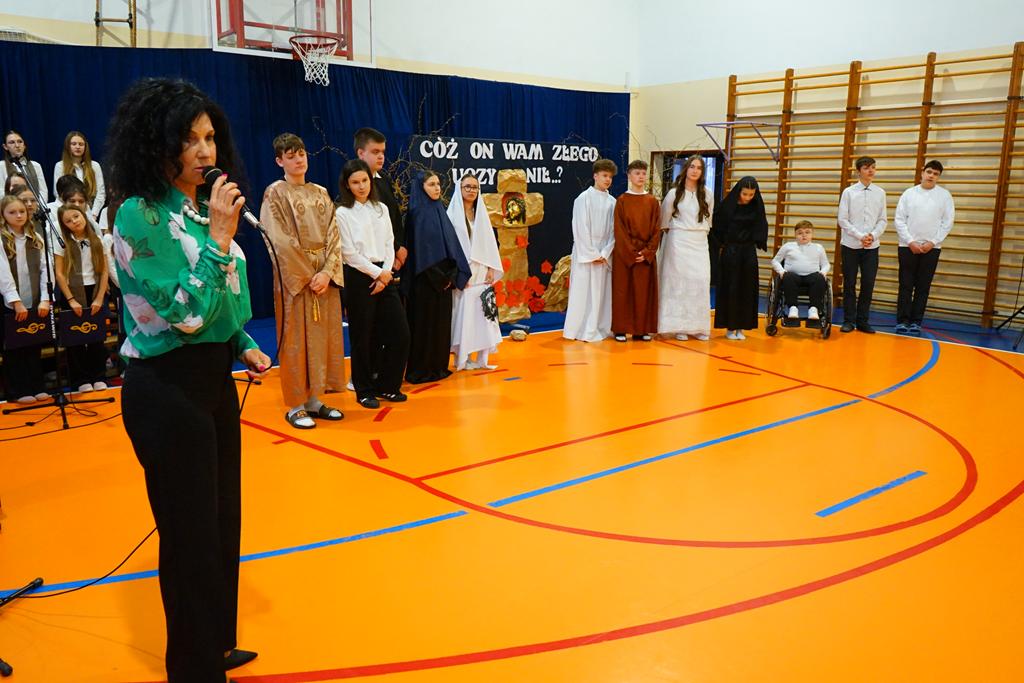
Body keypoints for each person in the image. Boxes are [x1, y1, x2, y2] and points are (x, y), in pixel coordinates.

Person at [106, 77, 270, 683]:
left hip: (212, 380)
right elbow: (184, 312)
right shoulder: (138, 214)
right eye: (189, 139)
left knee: (222, 524)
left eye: (210, 137)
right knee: (190, 535)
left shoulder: (199, 210)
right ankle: (194, 669)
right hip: (166, 390)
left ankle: (214, 644)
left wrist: (243, 342)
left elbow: (222, 307)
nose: (205, 151)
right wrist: (221, 239)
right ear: (158, 144)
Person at [259, 133, 345, 429]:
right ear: (279, 161)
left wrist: (328, 272)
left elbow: (334, 234)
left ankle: (315, 400)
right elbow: (278, 239)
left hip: (323, 278)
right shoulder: (275, 193)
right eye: (291, 155)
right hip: (295, 280)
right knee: (296, 340)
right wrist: (308, 275)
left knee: (322, 338)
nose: (298, 159)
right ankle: (296, 405)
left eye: (301, 153)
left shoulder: (320, 192)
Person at [335, 159, 410, 407]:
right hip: (359, 276)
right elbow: (348, 253)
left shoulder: (381, 209)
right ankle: (364, 389)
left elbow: (389, 243)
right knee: (363, 336)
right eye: (355, 182)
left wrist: (385, 273)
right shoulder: (342, 213)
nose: (361, 186)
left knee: (400, 333)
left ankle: (388, 386)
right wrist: (377, 274)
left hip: (384, 273)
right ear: (347, 185)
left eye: (365, 180)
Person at [401, 170, 470, 383]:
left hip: (443, 281)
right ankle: (421, 370)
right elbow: (421, 252)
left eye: (438, 183)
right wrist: (441, 278)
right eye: (431, 184)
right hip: (425, 282)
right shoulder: (417, 214)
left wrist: (451, 275)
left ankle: (438, 367)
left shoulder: (439, 210)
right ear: (421, 188)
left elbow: (450, 247)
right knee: (424, 326)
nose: (437, 188)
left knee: (440, 325)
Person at [352, 127, 406, 392]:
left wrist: (399, 248)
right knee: (366, 331)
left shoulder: (383, 183)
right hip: (365, 272)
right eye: (375, 152)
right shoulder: (349, 194)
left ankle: (386, 380)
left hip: (388, 266)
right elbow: (351, 245)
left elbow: (392, 220)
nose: (381, 156)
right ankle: (365, 380)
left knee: (396, 331)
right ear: (361, 153)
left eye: (383, 151)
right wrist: (379, 272)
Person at [448, 172, 503, 369]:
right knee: (463, 314)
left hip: (482, 270)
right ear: (460, 188)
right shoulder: (451, 215)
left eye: (475, 187)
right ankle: (462, 359)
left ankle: (482, 359)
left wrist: (491, 268)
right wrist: (457, 274)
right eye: (468, 187)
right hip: (463, 272)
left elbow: (489, 244)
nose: (472, 190)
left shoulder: (481, 214)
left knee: (483, 313)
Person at [894, 160, 954, 336]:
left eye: (935, 174)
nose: (931, 176)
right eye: (929, 172)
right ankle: (902, 320)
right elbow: (899, 220)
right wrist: (910, 241)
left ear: (938, 177)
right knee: (905, 285)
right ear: (922, 172)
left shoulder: (944, 196)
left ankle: (916, 321)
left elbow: (947, 222)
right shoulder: (909, 194)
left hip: (931, 248)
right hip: (907, 246)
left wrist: (933, 242)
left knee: (923, 286)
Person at [53, 204, 109, 392]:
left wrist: (99, 298)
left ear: (83, 215)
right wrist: (70, 299)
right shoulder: (63, 242)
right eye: (68, 221)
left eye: (76, 216)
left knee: (96, 337)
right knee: (75, 339)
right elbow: (59, 273)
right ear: (64, 225)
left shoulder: (97, 240)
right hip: (72, 291)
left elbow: (104, 271)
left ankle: (98, 375)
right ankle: (80, 379)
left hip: (94, 290)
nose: (74, 222)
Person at [0, 194, 50, 404]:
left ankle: (37, 386)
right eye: (12, 212)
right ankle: (18, 390)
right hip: (10, 303)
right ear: (3, 215)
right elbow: (3, 272)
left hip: (35, 300)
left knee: (33, 343)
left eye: (21, 211)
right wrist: (15, 301)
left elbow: (46, 269)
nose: (19, 215)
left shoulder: (36, 238)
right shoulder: (2, 239)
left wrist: (45, 298)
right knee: (14, 347)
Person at [658, 154, 714, 341]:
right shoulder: (674, 193)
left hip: (699, 241)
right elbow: (664, 220)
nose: (695, 171)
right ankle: (679, 326)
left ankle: (697, 327)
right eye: (692, 167)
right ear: (686, 168)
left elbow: (709, 220)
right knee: (679, 283)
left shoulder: (707, 194)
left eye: (699, 168)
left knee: (700, 281)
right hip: (678, 241)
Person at [563, 158, 617, 342]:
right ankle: (578, 330)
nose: (607, 179)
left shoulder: (613, 202)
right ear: (595, 176)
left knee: (600, 294)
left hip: (604, 253)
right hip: (586, 252)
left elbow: (614, 231)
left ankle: (598, 327)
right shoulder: (583, 199)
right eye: (604, 175)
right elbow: (580, 227)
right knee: (582, 292)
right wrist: (592, 254)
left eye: (610, 177)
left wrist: (606, 252)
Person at [609, 160, 660, 342]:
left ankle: (641, 329)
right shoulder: (622, 201)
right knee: (623, 291)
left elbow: (656, 230)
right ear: (629, 176)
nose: (641, 177)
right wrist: (631, 253)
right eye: (637, 173)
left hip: (645, 255)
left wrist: (647, 253)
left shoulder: (652, 201)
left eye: (643, 173)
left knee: (643, 293)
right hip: (625, 254)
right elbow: (619, 230)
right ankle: (620, 329)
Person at [712, 176, 768, 340]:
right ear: (738, 192)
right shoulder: (727, 206)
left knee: (747, 288)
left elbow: (761, 225)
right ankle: (730, 327)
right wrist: (723, 244)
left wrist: (757, 240)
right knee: (731, 287)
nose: (747, 198)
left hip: (748, 252)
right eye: (744, 194)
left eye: (751, 194)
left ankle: (741, 327)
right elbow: (717, 227)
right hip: (731, 250)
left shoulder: (756, 206)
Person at [837, 155, 886, 334]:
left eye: (873, 167)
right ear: (858, 171)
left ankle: (863, 320)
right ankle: (849, 320)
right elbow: (843, 219)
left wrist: (872, 236)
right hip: (851, 245)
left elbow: (882, 219)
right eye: (866, 168)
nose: (870, 170)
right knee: (849, 283)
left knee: (868, 283)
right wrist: (860, 236)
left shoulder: (880, 193)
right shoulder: (849, 192)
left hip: (871, 247)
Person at [771, 220, 830, 323]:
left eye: (807, 232)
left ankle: (813, 309)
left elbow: (826, 264)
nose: (804, 235)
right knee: (788, 276)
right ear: (795, 234)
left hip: (812, 277)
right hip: (793, 277)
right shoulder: (788, 246)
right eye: (800, 233)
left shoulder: (818, 248)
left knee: (820, 277)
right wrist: (781, 271)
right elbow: (775, 261)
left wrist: (823, 272)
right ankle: (793, 308)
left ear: (812, 234)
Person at [53, 131, 106, 220]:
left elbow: (101, 192)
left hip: (91, 213)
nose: (78, 147)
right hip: (68, 213)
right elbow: (57, 192)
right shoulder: (60, 166)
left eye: (81, 144)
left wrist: (93, 214)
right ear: (68, 146)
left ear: (85, 147)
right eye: (74, 144)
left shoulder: (94, 166)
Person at [1, 129, 48, 204]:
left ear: (24, 145)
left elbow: (43, 191)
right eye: (12, 142)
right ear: (5, 146)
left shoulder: (36, 165)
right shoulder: (1, 166)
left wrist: (36, 206)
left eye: (20, 142)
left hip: (35, 207)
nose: (17, 145)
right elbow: (1, 192)